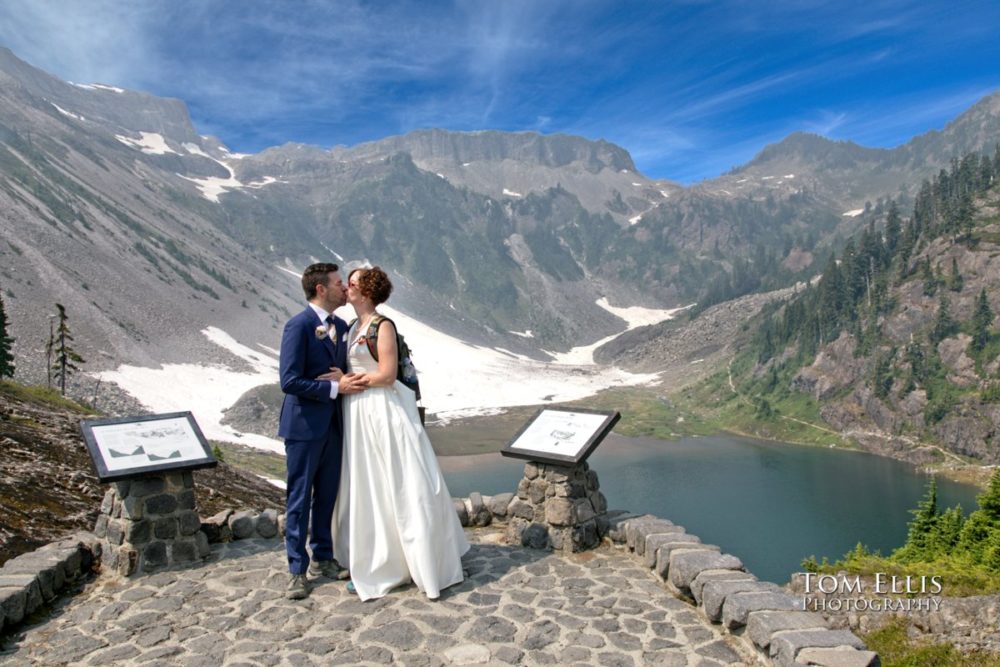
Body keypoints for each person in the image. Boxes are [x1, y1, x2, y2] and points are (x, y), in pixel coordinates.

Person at [333, 266, 469, 601]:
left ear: (366, 292)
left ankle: (413, 559)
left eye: (352, 285)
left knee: (396, 479)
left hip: (380, 408)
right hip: (359, 411)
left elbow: (387, 374)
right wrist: (342, 376)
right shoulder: (353, 327)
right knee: (371, 485)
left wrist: (351, 382)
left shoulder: (383, 326)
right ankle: (379, 558)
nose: (346, 289)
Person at [278, 262, 368, 600]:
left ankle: (324, 556)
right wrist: (334, 389)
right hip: (303, 427)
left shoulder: (341, 326)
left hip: (334, 425)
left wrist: (343, 382)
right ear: (320, 289)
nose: (343, 287)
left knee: (327, 494)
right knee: (299, 499)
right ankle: (296, 569)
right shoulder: (298, 326)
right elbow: (288, 381)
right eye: (337, 283)